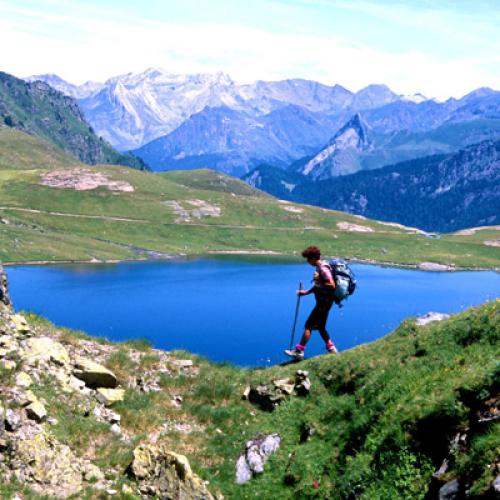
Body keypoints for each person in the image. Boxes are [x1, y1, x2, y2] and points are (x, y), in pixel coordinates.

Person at [285, 246, 338, 360]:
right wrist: (305, 292)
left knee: (308, 326)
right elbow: (318, 286)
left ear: (314, 258)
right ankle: (332, 349)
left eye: (308, 259)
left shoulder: (323, 269)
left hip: (323, 303)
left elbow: (332, 285)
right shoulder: (319, 268)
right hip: (325, 302)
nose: (308, 262)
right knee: (321, 327)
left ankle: (299, 351)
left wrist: (319, 281)